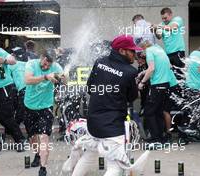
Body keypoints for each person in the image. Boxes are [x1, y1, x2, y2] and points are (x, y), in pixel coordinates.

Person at [62, 35, 145, 176]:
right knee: (115, 167)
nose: (135, 54)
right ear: (122, 51)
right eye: (132, 51)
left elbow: (89, 88)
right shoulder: (130, 72)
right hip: (113, 125)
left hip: (94, 122)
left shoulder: (100, 62)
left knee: (89, 156)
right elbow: (132, 97)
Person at [24, 49, 64, 176]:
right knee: (33, 138)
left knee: (44, 137)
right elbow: (28, 80)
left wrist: (60, 77)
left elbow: (65, 79)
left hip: (46, 106)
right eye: (45, 63)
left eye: (49, 65)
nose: (46, 66)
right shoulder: (31, 64)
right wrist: (46, 77)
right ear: (41, 57)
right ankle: (37, 154)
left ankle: (43, 168)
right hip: (30, 105)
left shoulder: (56, 66)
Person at [137, 39, 172, 146]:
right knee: (158, 111)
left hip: (157, 85)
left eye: (140, 52)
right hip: (166, 84)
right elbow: (167, 66)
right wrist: (143, 72)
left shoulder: (149, 51)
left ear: (143, 48)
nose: (141, 55)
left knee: (149, 111)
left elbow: (151, 68)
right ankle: (161, 138)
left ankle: (155, 139)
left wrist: (142, 82)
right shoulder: (159, 49)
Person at [154, 7, 186, 79]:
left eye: (165, 18)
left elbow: (172, 28)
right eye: (162, 18)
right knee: (171, 74)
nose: (164, 20)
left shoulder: (177, 19)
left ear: (170, 15)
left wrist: (159, 26)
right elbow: (159, 36)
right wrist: (154, 30)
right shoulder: (161, 24)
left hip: (178, 51)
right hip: (168, 54)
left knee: (180, 74)